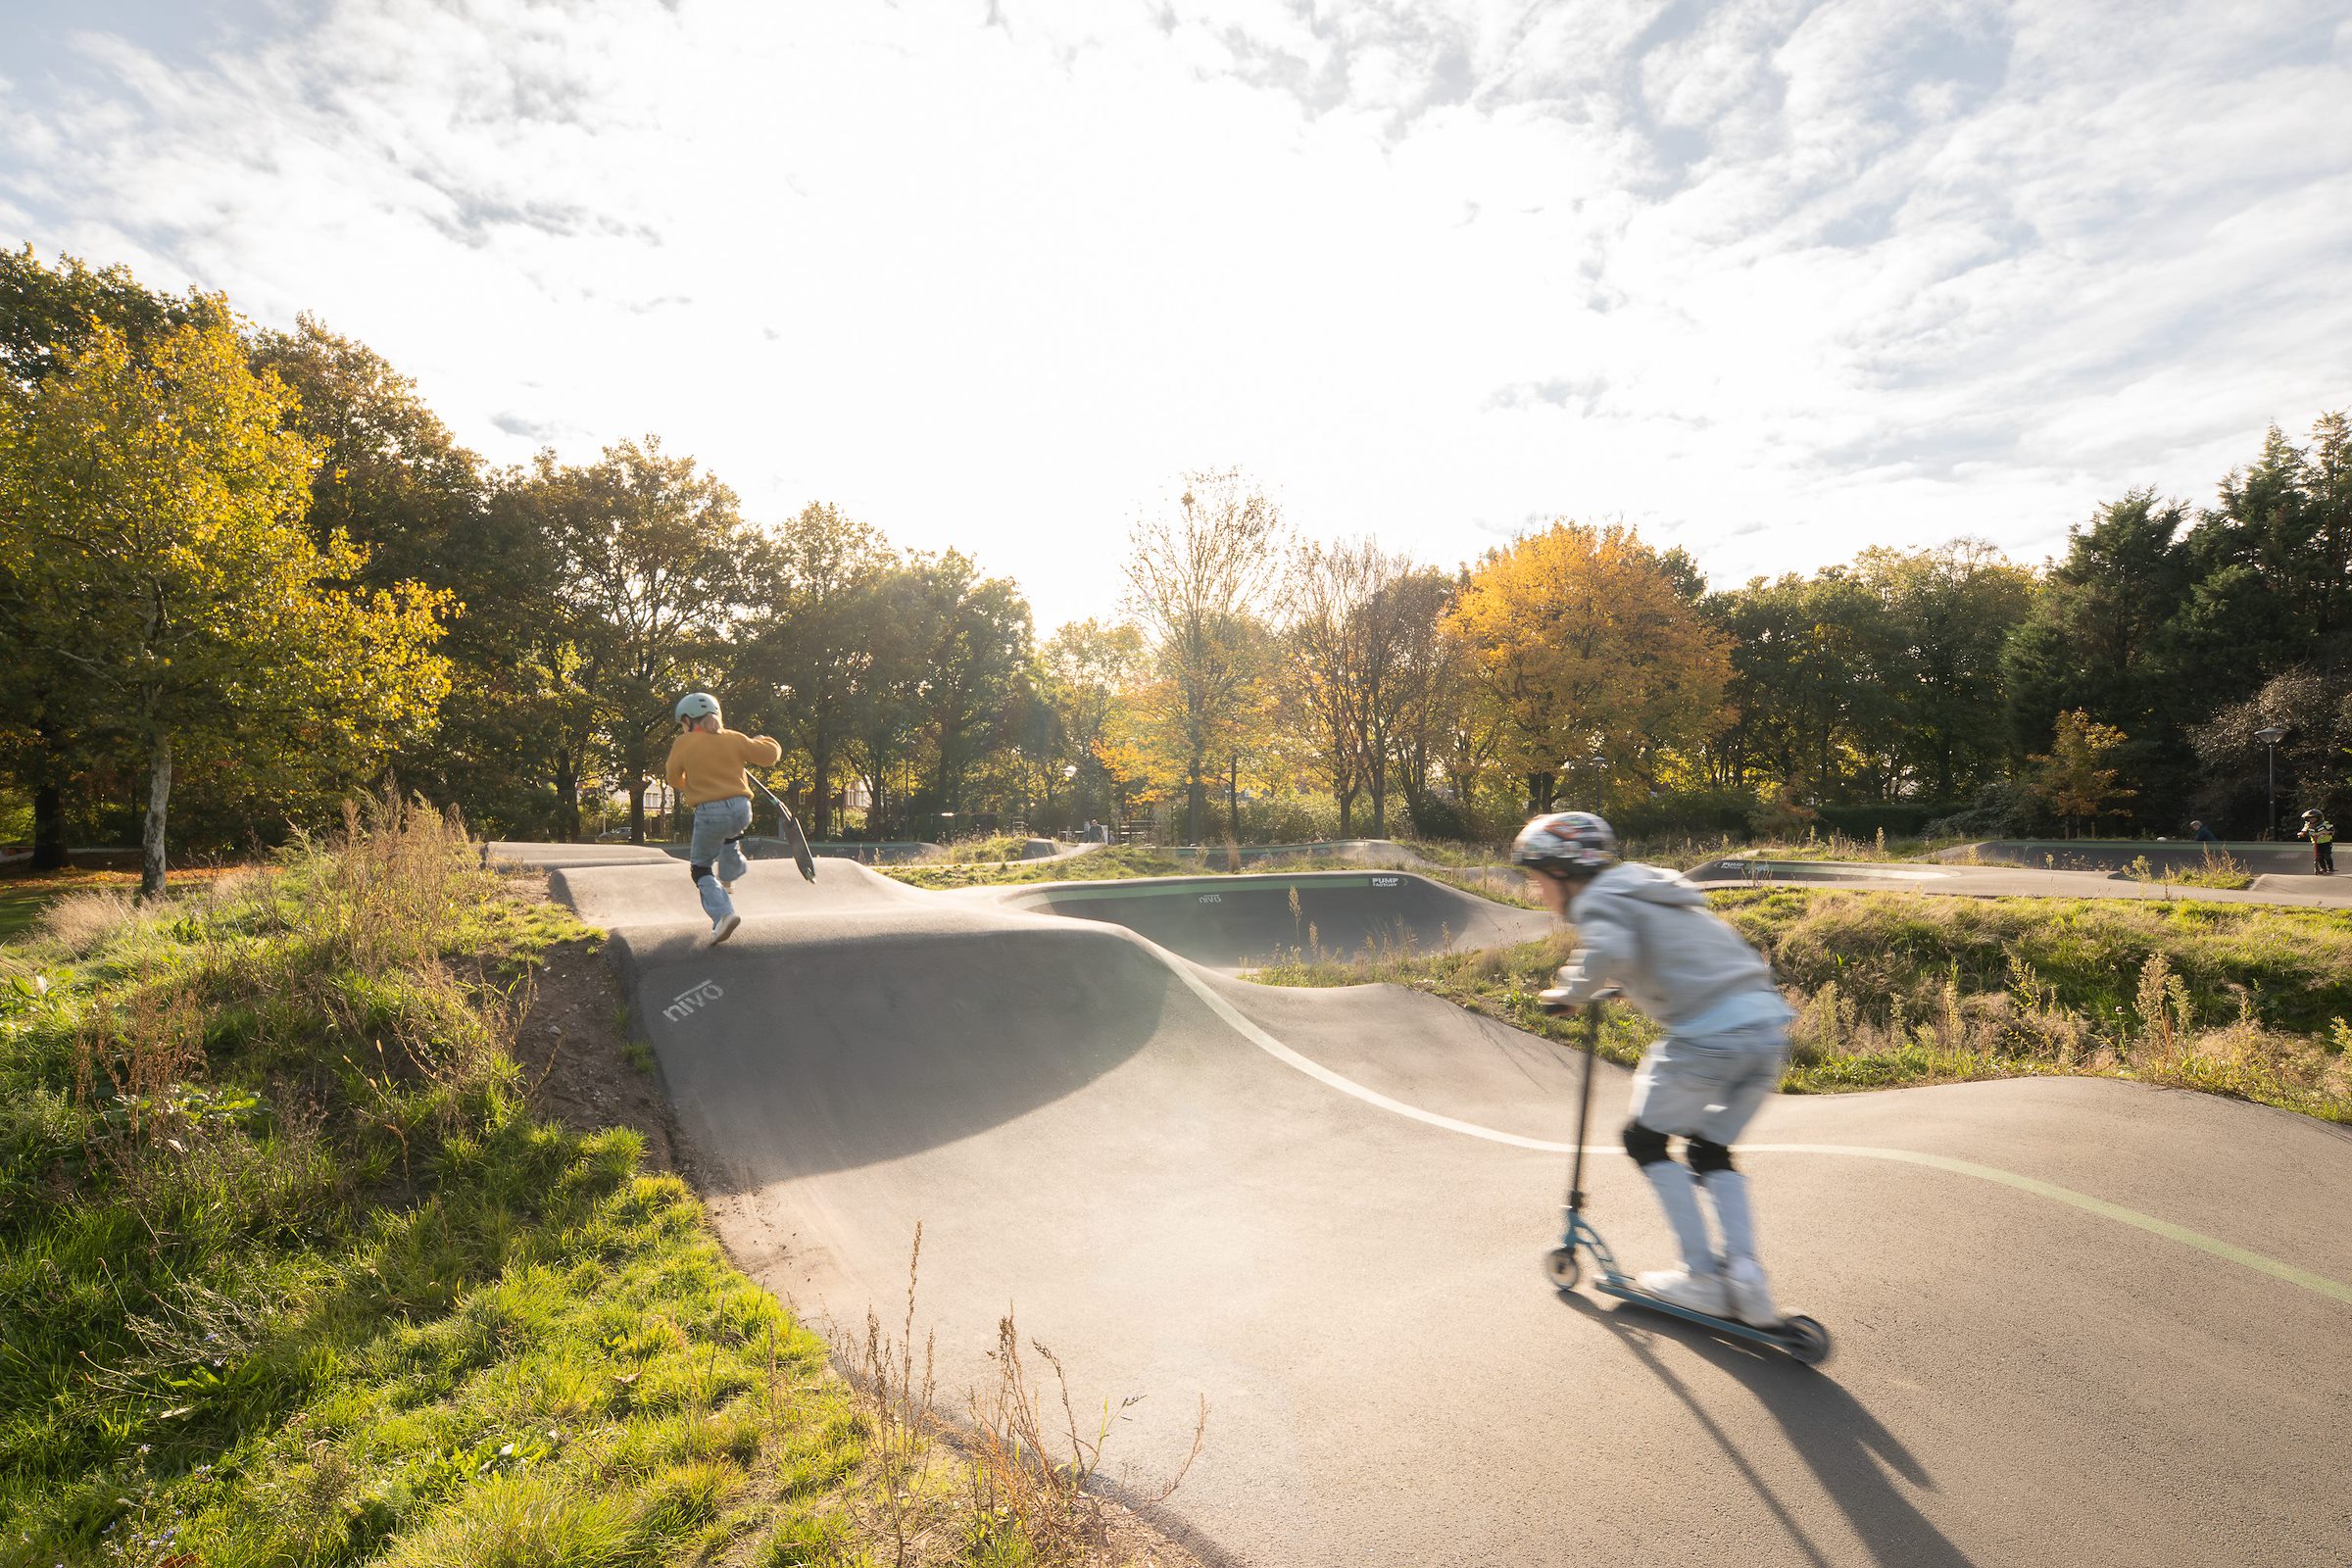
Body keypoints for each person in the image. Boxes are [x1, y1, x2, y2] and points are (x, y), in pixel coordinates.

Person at [1515, 809, 1794, 1326]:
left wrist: (1570, 993)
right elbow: (1676, 953)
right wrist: (1630, 983)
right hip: (1768, 1029)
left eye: (1537, 879)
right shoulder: (1648, 888)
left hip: (1711, 1037)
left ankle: (1702, 1278)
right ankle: (1746, 1279)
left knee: (1644, 1141)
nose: (1537, 891)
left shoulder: (1598, 899)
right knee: (1709, 1150)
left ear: (1562, 873)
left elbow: (1610, 947)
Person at [662, 692, 783, 944]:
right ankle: (729, 874)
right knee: (729, 836)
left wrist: (692, 784)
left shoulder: (683, 743)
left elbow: (673, 778)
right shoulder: (733, 738)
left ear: (688, 721)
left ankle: (723, 915)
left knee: (700, 868)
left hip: (710, 812)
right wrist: (762, 740)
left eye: (682, 724)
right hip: (741, 809)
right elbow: (770, 756)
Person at [2300, 808, 2335, 875]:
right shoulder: (2308, 825)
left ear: (2318, 818)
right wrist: (2301, 833)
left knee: (2327, 855)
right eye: (2309, 818)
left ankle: (2330, 868)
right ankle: (2323, 868)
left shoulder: (2325, 823)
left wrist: (2328, 832)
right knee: (2319, 856)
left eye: (2313, 818)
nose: (2311, 820)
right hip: (2316, 843)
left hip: (2326, 843)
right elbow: (2304, 830)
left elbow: (2332, 830)